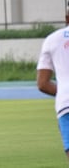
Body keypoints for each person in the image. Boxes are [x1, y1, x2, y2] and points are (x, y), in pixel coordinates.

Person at [36, 9, 69, 160]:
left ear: (66, 17)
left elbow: (42, 84)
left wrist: (63, 91)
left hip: (65, 104)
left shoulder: (52, 39)